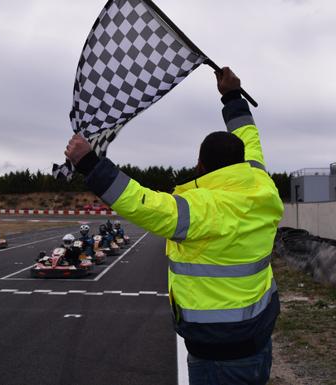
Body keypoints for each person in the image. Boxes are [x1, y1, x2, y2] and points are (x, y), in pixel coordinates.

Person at [64, 67, 283, 385]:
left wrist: (89, 164)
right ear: (242, 162)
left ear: (201, 166)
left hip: (218, 352)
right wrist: (233, 97)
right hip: (257, 338)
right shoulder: (262, 184)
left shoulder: (203, 208)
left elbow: (143, 203)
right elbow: (250, 139)